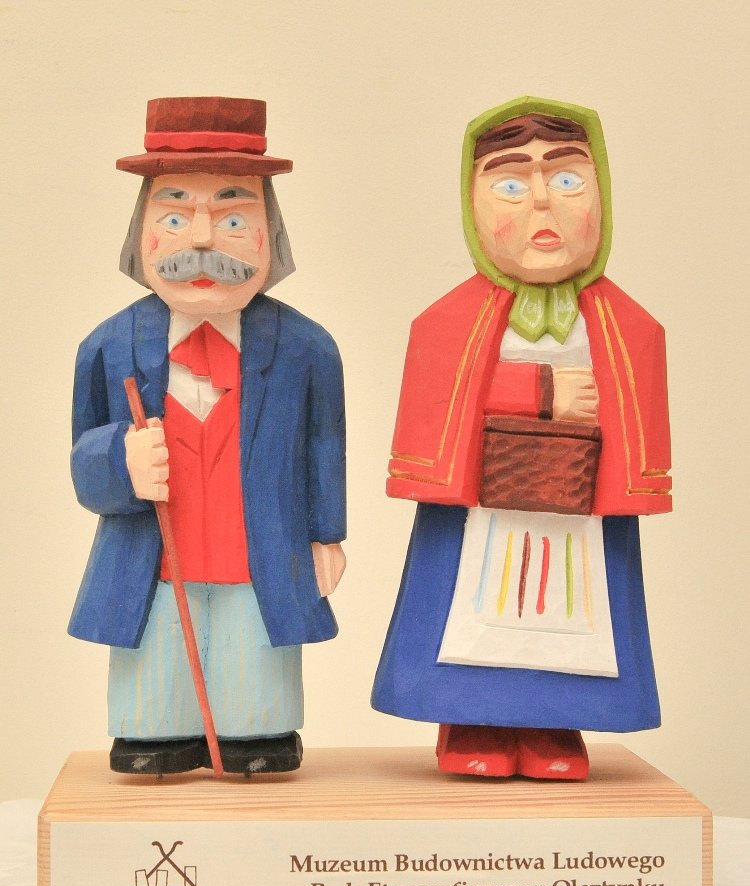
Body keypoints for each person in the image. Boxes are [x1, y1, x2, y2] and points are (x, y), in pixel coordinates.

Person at [371, 97, 671, 780]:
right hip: (483, 505)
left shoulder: (626, 326)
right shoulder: (451, 321)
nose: (542, 203)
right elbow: (438, 398)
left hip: (579, 511)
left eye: (566, 180)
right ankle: (469, 720)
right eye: (511, 184)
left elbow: (638, 409)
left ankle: (554, 727)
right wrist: (540, 392)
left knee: (579, 613)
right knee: (466, 608)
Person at [69, 97, 346, 776]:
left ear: (271, 234)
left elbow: (324, 447)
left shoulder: (307, 349)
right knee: (157, 656)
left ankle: (256, 734)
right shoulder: (108, 347)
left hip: (261, 546)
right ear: (140, 234)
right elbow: (82, 456)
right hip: (154, 552)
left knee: (254, 657)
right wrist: (120, 460)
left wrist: (326, 534)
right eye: (173, 217)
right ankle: (155, 734)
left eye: (232, 218)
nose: (200, 241)